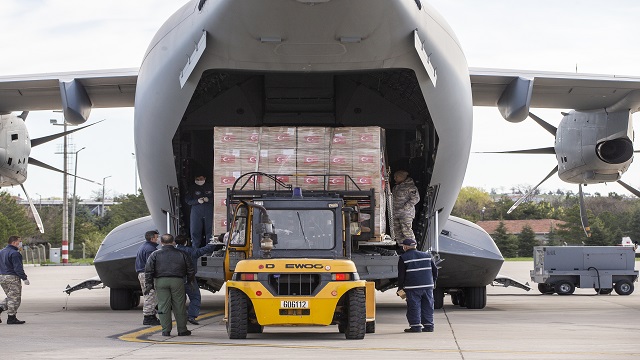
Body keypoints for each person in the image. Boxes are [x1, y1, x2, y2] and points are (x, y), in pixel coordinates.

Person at [144, 234, 195, 337]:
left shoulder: (155, 254)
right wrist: (189, 281)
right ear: (173, 242)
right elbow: (190, 269)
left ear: (161, 242)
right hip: (177, 281)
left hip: (160, 281)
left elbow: (148, 270)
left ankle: (166, 330)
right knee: (179, 305)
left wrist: (149, 284)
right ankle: (182, 330)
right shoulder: (182, 253)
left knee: (163, 305)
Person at [396, 238, 438, 333]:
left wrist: (400, 287)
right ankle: (429, 326)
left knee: (414, 306)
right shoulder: (427, 255)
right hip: (428, 286)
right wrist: (433, 282)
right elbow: (435, 270)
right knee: (428, 305)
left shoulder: (404, 258)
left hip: (412, 287)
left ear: (405, 247)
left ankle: (416, 326)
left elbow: (401, 275)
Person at [175, 234, 217, 325]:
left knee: (179, 299)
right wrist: (214, 242)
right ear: (186, 242)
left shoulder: (173, 251)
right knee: (195, 297)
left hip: (176, 279)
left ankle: (180, 317)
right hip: (189, 278)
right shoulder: (190, 251)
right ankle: (192, 316)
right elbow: (203, 250)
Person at [0, 236, 29, 324]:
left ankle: (0, 308)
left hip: (2, 276)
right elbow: (18, 268)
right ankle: (11, 317)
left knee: (10, 296)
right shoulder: (15, 253)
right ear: (14, 242)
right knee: (15, 298)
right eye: (19, 241)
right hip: (12, 277)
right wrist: (24, 278)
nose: (20, 243)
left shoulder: (1, 251)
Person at [135, 230, 160, 326]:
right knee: (150, 295)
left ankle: (151, 315)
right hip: (147, 275)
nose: (158, 239)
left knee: (148, 295)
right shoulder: (150, 249)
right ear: (152, 238)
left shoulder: (144, 247)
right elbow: (151, 265)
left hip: (142, 274)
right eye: (156, 237)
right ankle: (148, 316)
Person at [392, 170, 420, 245]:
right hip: (396, 213)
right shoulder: (396, 187)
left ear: (402, 177)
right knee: (397, 231)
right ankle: (402, 247)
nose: (394, 178)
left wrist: (405, 207)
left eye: (396, 177)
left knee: (406, 231)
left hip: (405, 214)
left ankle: (412, 248)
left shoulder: (410, 187)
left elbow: (416, 199)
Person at [186, 174, 214, 248]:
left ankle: (209, 248)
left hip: (209, 210)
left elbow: (217, 198)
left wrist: (209, 200)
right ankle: (195, 248)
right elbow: (187, 200)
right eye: (197, 179)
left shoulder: (211, 186)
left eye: (201, 179)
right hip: (196, 211)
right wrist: (197, 201)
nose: (199, 181)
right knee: (195, 229)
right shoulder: (192, 188)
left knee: (210, 229)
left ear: (205, 178)